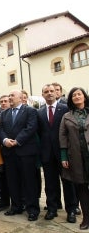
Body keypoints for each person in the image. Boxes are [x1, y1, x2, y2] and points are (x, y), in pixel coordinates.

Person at [0, 90, 40, 221]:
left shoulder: (30, 111)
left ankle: (32, 209)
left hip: (26, 152)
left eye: (12, 96)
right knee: (12, 181)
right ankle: (16, 206)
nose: (9, 98)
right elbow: (0, 129)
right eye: (8, 95)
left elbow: (31, 127)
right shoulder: (4, 114)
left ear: (21, 98)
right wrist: (5, 140)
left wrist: (17, 141)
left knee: (29, 182)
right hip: (9, 153)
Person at [38, 84, 77, 223]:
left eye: (52, 91)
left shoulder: (65, 109)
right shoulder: (39, 112)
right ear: (42, 95)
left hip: (63, 153)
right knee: (50, 183)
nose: (49, 93)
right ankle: (52, 208)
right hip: (47, 154)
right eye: (46, 92)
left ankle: (71, 210)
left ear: (57, 93)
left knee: (68, 183)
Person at [59, 87, 89, 230]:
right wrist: (64, 156)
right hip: (76, 157)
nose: (77, 96)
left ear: (84, 96)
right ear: (71, 99)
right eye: (74, 95)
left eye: (79, 94)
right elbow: (63, 137)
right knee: (81, 188)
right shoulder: (67, 116)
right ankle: (86, 218)